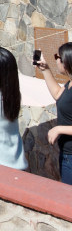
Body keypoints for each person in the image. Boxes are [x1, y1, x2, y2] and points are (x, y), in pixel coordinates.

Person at [37, 42, 72, 184]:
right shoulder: (69, 84)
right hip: (67, 153)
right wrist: (45, 69)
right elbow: (58, 94)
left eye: (57, 56)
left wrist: (59, 129)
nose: (56, 59)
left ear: (66, 60)